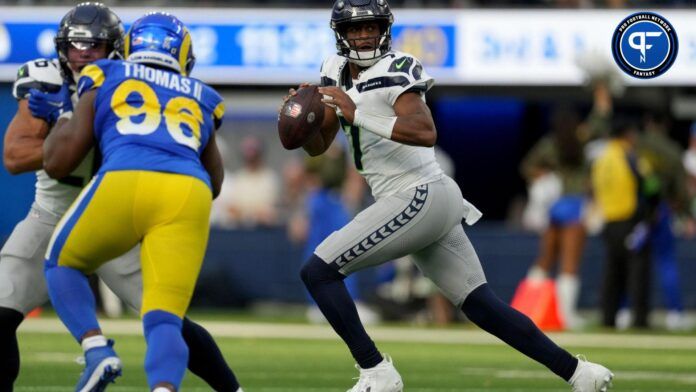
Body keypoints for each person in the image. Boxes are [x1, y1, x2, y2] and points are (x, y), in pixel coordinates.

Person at [288, 1, 613, 391]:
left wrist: (357, 113)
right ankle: (580, 374)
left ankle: (376, 371)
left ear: (384, 30)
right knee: (482, 305)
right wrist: (302, 120)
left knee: (319, 271)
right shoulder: (332, 69)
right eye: (355, 29)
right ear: (340, 33)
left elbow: (425, 132)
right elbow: (319, 146)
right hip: (419, 200)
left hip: (418, 192)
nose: (363, 36)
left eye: (370, 27)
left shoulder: (397, 68)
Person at [1, 4, 241, 392]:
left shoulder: (119, 78)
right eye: (74, 44)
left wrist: (74, 130)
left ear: (117, 47)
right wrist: (78, 137)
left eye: (93, 44)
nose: (82, 53)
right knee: (1, 308)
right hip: (53, 210)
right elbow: (14, 156)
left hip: (117, 212)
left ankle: (231, 388)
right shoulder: (48, 79)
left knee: (168, 317)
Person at [520, 106, 590, 330]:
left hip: (554, 205)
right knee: (569, 263)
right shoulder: (581, 141)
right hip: (575, 205)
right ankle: (565, 316)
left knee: (545, 258)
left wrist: (545, 175)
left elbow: (526, 167)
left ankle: (526, 310)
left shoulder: (550, 143)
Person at [591, 119, 656, 329]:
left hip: (609, 220)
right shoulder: (631, 156)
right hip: (631, 220)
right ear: (628, 134)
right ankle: (640, 320)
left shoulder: (601, 158)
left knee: (612, 273)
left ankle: (608, 318)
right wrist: (652, 209)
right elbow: (651, 185)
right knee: (637, 272)